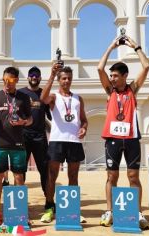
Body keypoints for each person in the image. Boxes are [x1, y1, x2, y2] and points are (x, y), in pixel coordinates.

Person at [97, 35, 149, 229]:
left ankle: (137, 212)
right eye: (111, 76)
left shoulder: (132, 89)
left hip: (131, 139)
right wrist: (112, 46)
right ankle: (110, 211)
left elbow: (146, 66)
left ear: (124, 76)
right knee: (112, 176)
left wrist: (135, 47)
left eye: (115, 76)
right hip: (112, 139)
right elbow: (99, 68)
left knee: (133, 176)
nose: (111, 78)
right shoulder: (109, 91)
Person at [40, 64, 88, 223]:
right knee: (51, 176)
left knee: (73, 176)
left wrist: (83, 128)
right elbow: (43, 98)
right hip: (57, 141)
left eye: (69, 78)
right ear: (59, 80)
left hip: (73, 141)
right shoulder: (53, 96)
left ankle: (72, 209)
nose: (67, 81)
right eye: (64, 78)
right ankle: (49, 207)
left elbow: (84, 120)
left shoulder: (78, 98)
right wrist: (52, 75)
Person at [0, 67, 33, 226]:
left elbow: (30, 119)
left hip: (18, 143)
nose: (7, 83)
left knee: (19, 177)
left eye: (10, 80)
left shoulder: (24, 98)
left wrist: (23, 122)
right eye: (4, 80)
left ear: (16, 80)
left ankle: (19, 212)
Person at [19, 66, 52, 196]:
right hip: (23, 136)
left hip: (40, 137)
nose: (34, 77)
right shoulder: (20, 93)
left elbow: (51, 115)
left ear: (40, 78)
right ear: (28, 77)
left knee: (45, 169)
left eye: (37, 75)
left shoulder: (44, 95)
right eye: (32, 75)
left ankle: (49, 201)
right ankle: (19, 201)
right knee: (20, 170)